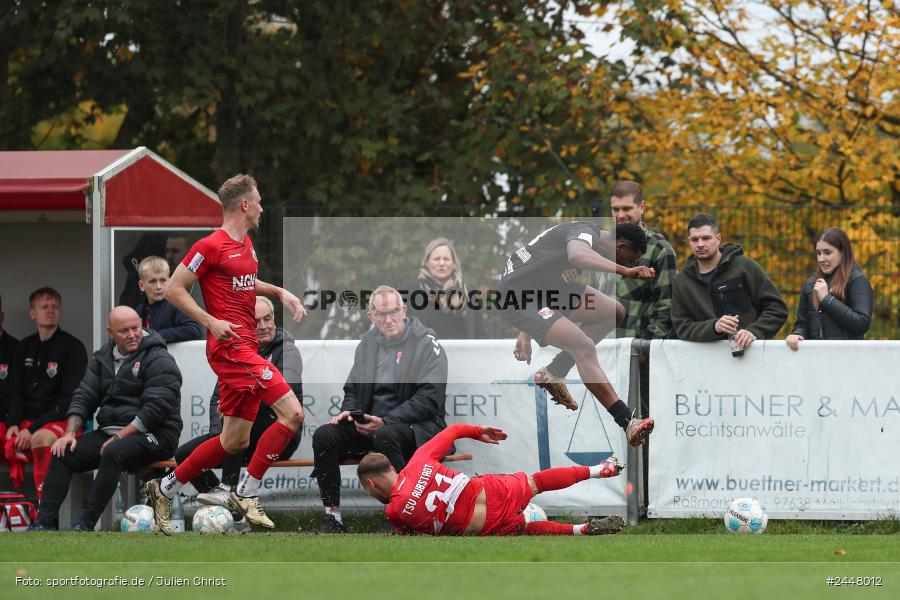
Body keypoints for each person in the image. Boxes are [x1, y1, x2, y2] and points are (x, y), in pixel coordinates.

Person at [145, 174, 307, 535]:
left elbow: (247, 283)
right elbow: (174, 288)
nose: (263, 207)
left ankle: (164, 488)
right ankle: (246, 494)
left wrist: (280, 292)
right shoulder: (210, 245)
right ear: (245, 205)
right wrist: (210, 320)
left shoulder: (246, 244)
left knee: (234, 441)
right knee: (293, 414)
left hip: (245, 346)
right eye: (259, 201)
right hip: (230, 348)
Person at [500, 220, 655, 448]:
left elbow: (544, 275)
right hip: (519, 297)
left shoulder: (586, 243)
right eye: (630, 259)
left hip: (544, 293)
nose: (629, 265)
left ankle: (554, 372)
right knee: (583, 347)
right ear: (620, 247)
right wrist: (625, 270)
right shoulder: (584, 233)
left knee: (613, 312)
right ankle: (626, 421)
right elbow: (577, 256)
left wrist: (527, 332)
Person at [27, 307, 182, 531]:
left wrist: (120, 436)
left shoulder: (159, 357)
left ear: (142, 324)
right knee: (61, 452)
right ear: (110, 332)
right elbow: (83, 396)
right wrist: (69, 433)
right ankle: (43, 523)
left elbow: (156, 409)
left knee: (113, 451)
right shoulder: (102, 358)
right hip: (111, 433)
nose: (132, 335)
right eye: (124, 331)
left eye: (136, 328)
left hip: (156, 434)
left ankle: (86, 523)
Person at [311, 285, 448, 533]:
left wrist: (385, 420)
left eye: (394, 312)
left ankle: (401, 515)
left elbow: (431, 398)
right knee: (324, 435)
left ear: (404, 311)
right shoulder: (367, 344)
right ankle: (333, 517)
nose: (388, 319)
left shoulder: (427, 343)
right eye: (381, 314)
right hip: (372, 428)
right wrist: (351, 412)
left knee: (386, 434)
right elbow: (353, 389)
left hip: (416, 430)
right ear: (371, 316)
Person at [173, 296, 303, 532]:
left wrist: (241, 401)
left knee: (241, 420)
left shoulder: (287, 350)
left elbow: (287, 392)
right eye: (256, 321)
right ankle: (233, 512)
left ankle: (228, 489)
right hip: (239, 435)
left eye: (268, 319)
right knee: (183, 454)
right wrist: (218, 434)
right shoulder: (235, 353)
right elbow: (217, 399)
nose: (263, 326)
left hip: (278, 432)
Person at [358, 422, 626, 536]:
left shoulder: (395, 511)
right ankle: (597, 469)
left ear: (371, 484)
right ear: (392, 467)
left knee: (523, 529)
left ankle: (580, 530)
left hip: (486, 523)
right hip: (492, 490)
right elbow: (453, 431)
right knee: (536, 482)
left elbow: (410, 538)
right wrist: (479, 432)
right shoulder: (419, 460)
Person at [2, 288, 87, 499]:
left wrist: (32, 428)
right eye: (44, 307)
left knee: (41, 438)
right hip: (25, 424)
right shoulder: (23, 347)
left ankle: (46, 509)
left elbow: (69, 400)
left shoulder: (73, 347)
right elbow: (16, 393)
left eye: (55, 306)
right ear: (33, 313)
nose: (50, 310)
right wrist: (13, 423)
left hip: (60, 422)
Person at [671, 214, 788, 350]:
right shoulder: (681, 281)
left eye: (706, 238)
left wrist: (754, 331)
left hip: (751, 355)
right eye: (695, 240)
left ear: (718, 239)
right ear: (689, 242)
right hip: (705, 360)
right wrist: (713, 327)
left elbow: (777, 309)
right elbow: (682, 326)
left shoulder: (745, 267)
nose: (700, 244)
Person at [595, 181, 678, 340]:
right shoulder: (600, 246)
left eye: (626, 208)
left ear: (641, 207)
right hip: (600, 347)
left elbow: (667, 306)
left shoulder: (660, 250)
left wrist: (645, 348)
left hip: (635, 350)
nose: (620, 215)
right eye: (615, 209)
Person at [786, 227, 873, 351]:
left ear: (843, 252)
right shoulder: (811, 284)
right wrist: (798, 334)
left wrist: (827, 299)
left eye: (828, 252)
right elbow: (803, 323)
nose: (821, 259)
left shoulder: (857, 281)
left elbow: (861, 324)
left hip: (848, 359)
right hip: (816, 359)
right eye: (818, 253)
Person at [402, 238, 483, 339]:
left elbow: (481, 334)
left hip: (463, 354)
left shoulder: (469, 294)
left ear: (453, 264)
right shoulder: (408, 292)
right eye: (436, 259)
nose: (441, 263)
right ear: (427, 263)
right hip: (425, 354)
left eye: (446, 259)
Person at [134, 256, 203, 343]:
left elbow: (194, 330)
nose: (158, 286)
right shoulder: (139, 311)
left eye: (163, 280)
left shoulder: (177, 304)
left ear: (169, 281)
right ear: (141, 285)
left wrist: (154, 336)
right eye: (152, 281)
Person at [0, 295, 19, 439]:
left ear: (2, 316)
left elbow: (18, 394)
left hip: (6, 422)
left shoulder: (17, 349)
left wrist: (12, 421)